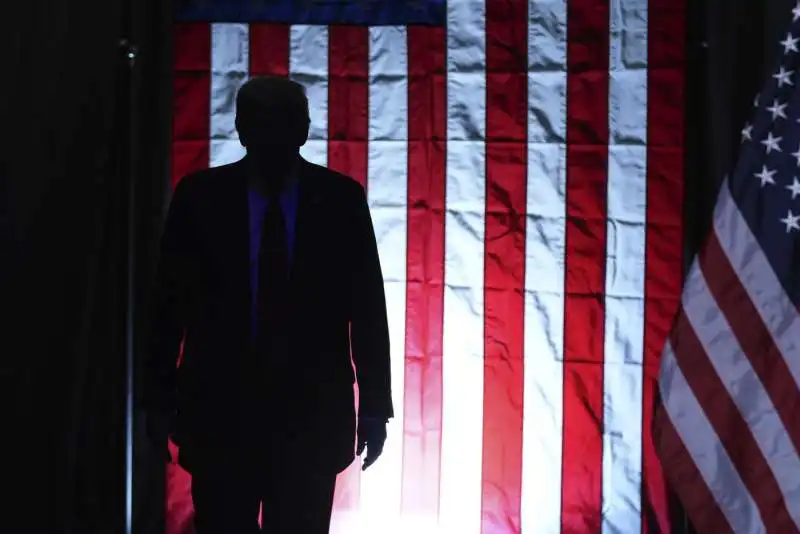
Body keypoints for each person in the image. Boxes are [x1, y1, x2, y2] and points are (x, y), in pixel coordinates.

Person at [143, 76, 393, 534]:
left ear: (303, 129)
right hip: (221, 416)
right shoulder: (200, 199)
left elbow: (367, 310)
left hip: (308, 422)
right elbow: (167, 306)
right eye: (263, 124)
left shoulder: (341, 201)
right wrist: (157, 399)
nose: (272, 136)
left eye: (282, 123)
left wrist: (377, 407)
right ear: (241, 129)